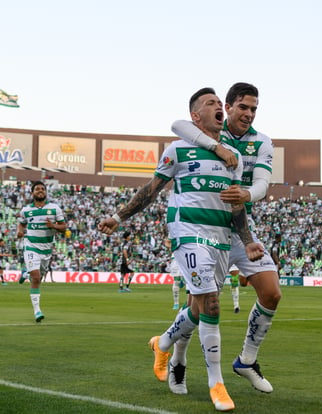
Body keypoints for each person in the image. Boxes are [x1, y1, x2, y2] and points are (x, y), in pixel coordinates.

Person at [98, 87, 264, 412]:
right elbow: (151, 189)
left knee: (200, 308)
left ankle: (161, 344)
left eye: (220, 103)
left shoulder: (234, 155)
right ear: (196, 115)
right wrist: (118, 216)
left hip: (219, 236)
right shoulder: (177, 150)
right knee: (213, 304)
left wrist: (246, 241)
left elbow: (235, 205)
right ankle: (217, 384)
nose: (218, 106)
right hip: (187, 232)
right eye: (210, 103)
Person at [171, 82, 281, 393]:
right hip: (206, 229)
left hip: (241, 227)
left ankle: (247, 359)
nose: (249, 114)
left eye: (254, 109)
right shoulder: (210, 132)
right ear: (228, 107)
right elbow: (178, 124)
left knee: (271, 292)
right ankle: (178, 360)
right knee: (199, 305)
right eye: (243, 107)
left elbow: (262, 182)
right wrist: (217, 147)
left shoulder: (261, 142)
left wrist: (247, 193)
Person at [17, 181, 67, 322]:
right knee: (37, 278)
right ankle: (37, 311)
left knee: (39, 276)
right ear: (32, 193)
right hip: (31, 246)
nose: (40, 191)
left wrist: (53, 226)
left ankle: (25, 272)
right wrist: (20, 232)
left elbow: (64, 227)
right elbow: (21, 223)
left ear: (45, 192)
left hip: (47, 250)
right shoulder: (26, 210)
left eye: (42, 189)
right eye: (37, 189)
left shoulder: (54, 209)